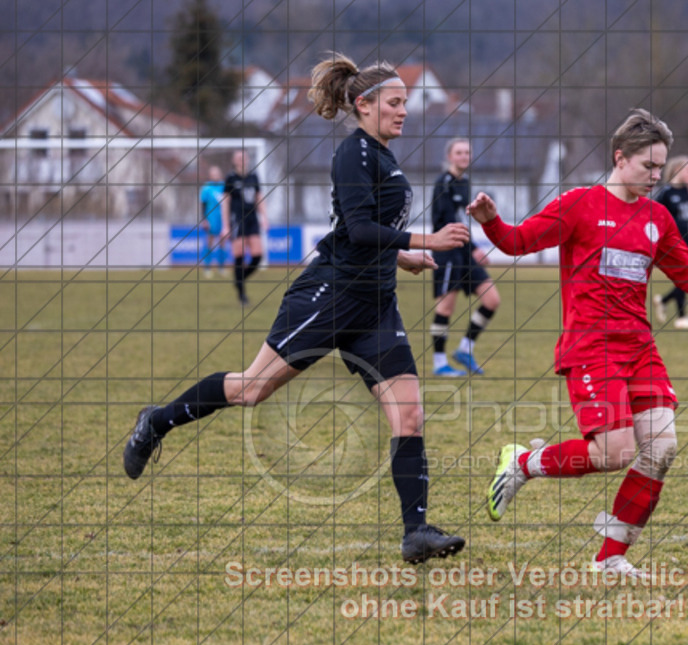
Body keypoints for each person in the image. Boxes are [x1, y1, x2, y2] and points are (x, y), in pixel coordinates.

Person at [123, 52, 472, 565]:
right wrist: (428, 239)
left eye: (405, 103)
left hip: (375, 306)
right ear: (364, 104)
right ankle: (156, 422)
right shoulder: (352, 154)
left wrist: (403, 256)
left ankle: (415, 531)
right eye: (395, 103)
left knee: (410, 413)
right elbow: (355, 230)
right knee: (251, 389)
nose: (403, 111)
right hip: (330, 297)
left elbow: (364, 232)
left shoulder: (382, 156)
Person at [467, 109, 688, 578]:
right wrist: (492, 222)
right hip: (591, 347)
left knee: (661, 449)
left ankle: (610, 558)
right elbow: (515, 243)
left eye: (661, 168)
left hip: (639, 349)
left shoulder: (658, 218)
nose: (656, 176)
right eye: (648, 167)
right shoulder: (580, 205)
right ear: (620, 158)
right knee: (613, 455)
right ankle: (524, 462)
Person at [429, 138, 501, 376]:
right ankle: (440, 363)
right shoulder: (444, 184)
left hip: (464, 249)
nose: (463, 156)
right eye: (459, 152)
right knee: (446, 307)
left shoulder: (465, 183)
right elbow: (449, 223)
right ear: (450, 156)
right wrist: (474, 249)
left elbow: (462, 220)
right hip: (448, 251)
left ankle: (465, 350)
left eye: (467, 152)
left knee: (491, 299)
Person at [652, 155, 688, 329]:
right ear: (676, 170)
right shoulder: (666, 192)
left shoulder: (687, 191)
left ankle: (664, 301)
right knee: (687, 277)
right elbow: (653, 215)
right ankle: (681, 317)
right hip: (673, 242)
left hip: (687, 239)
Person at [221, 149, 269, 305]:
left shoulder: (253, 177)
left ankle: (239, 280)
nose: (242, 160)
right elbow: (225, 202)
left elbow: (259, 198)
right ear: (234, 160)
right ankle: (242, 295)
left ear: (248, 159)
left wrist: (264, 217)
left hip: (252, 219)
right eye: (238, 158)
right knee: (239, 256)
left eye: (244, 157)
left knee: (257, 256)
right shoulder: (230, 178)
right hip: (237, 219)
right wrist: (226, 225)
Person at [199, 165, 227, 277]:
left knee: (223, 243)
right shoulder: (206, 188)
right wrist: (204, 220)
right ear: (210, 175)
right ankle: (207, 268)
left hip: (222, 219)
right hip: (211, 218)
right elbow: (203, 205)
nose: (215, 175)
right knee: (209, 243)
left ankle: (221, 268)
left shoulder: (224, 187)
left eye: (217, 173)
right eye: (213, 173)